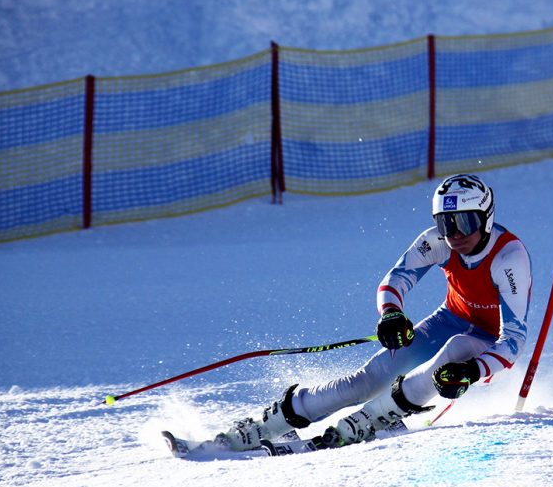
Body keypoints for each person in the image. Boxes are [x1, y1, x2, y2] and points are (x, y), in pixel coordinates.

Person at [218, 173, 532, 450]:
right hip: (449, 319)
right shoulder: (437, 242)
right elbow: (395, 280)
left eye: (465, 222)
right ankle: (273, 423)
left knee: (455, 350)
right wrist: (391, 313)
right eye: (446, 223)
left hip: (488, 343)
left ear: (486, 218)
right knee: (370, 379)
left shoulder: (508, 257)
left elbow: (514, 339)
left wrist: (473, 370)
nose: (455, 235)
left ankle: (375, 419)